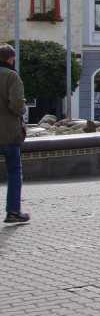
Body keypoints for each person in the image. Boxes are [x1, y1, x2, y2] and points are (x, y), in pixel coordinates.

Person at [0, 44, 29, 224]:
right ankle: (13, 212)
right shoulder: (12, 76)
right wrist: (22, 109)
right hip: (8, 133)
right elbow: (17, 104)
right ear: (11, 59)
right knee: (14, 172)